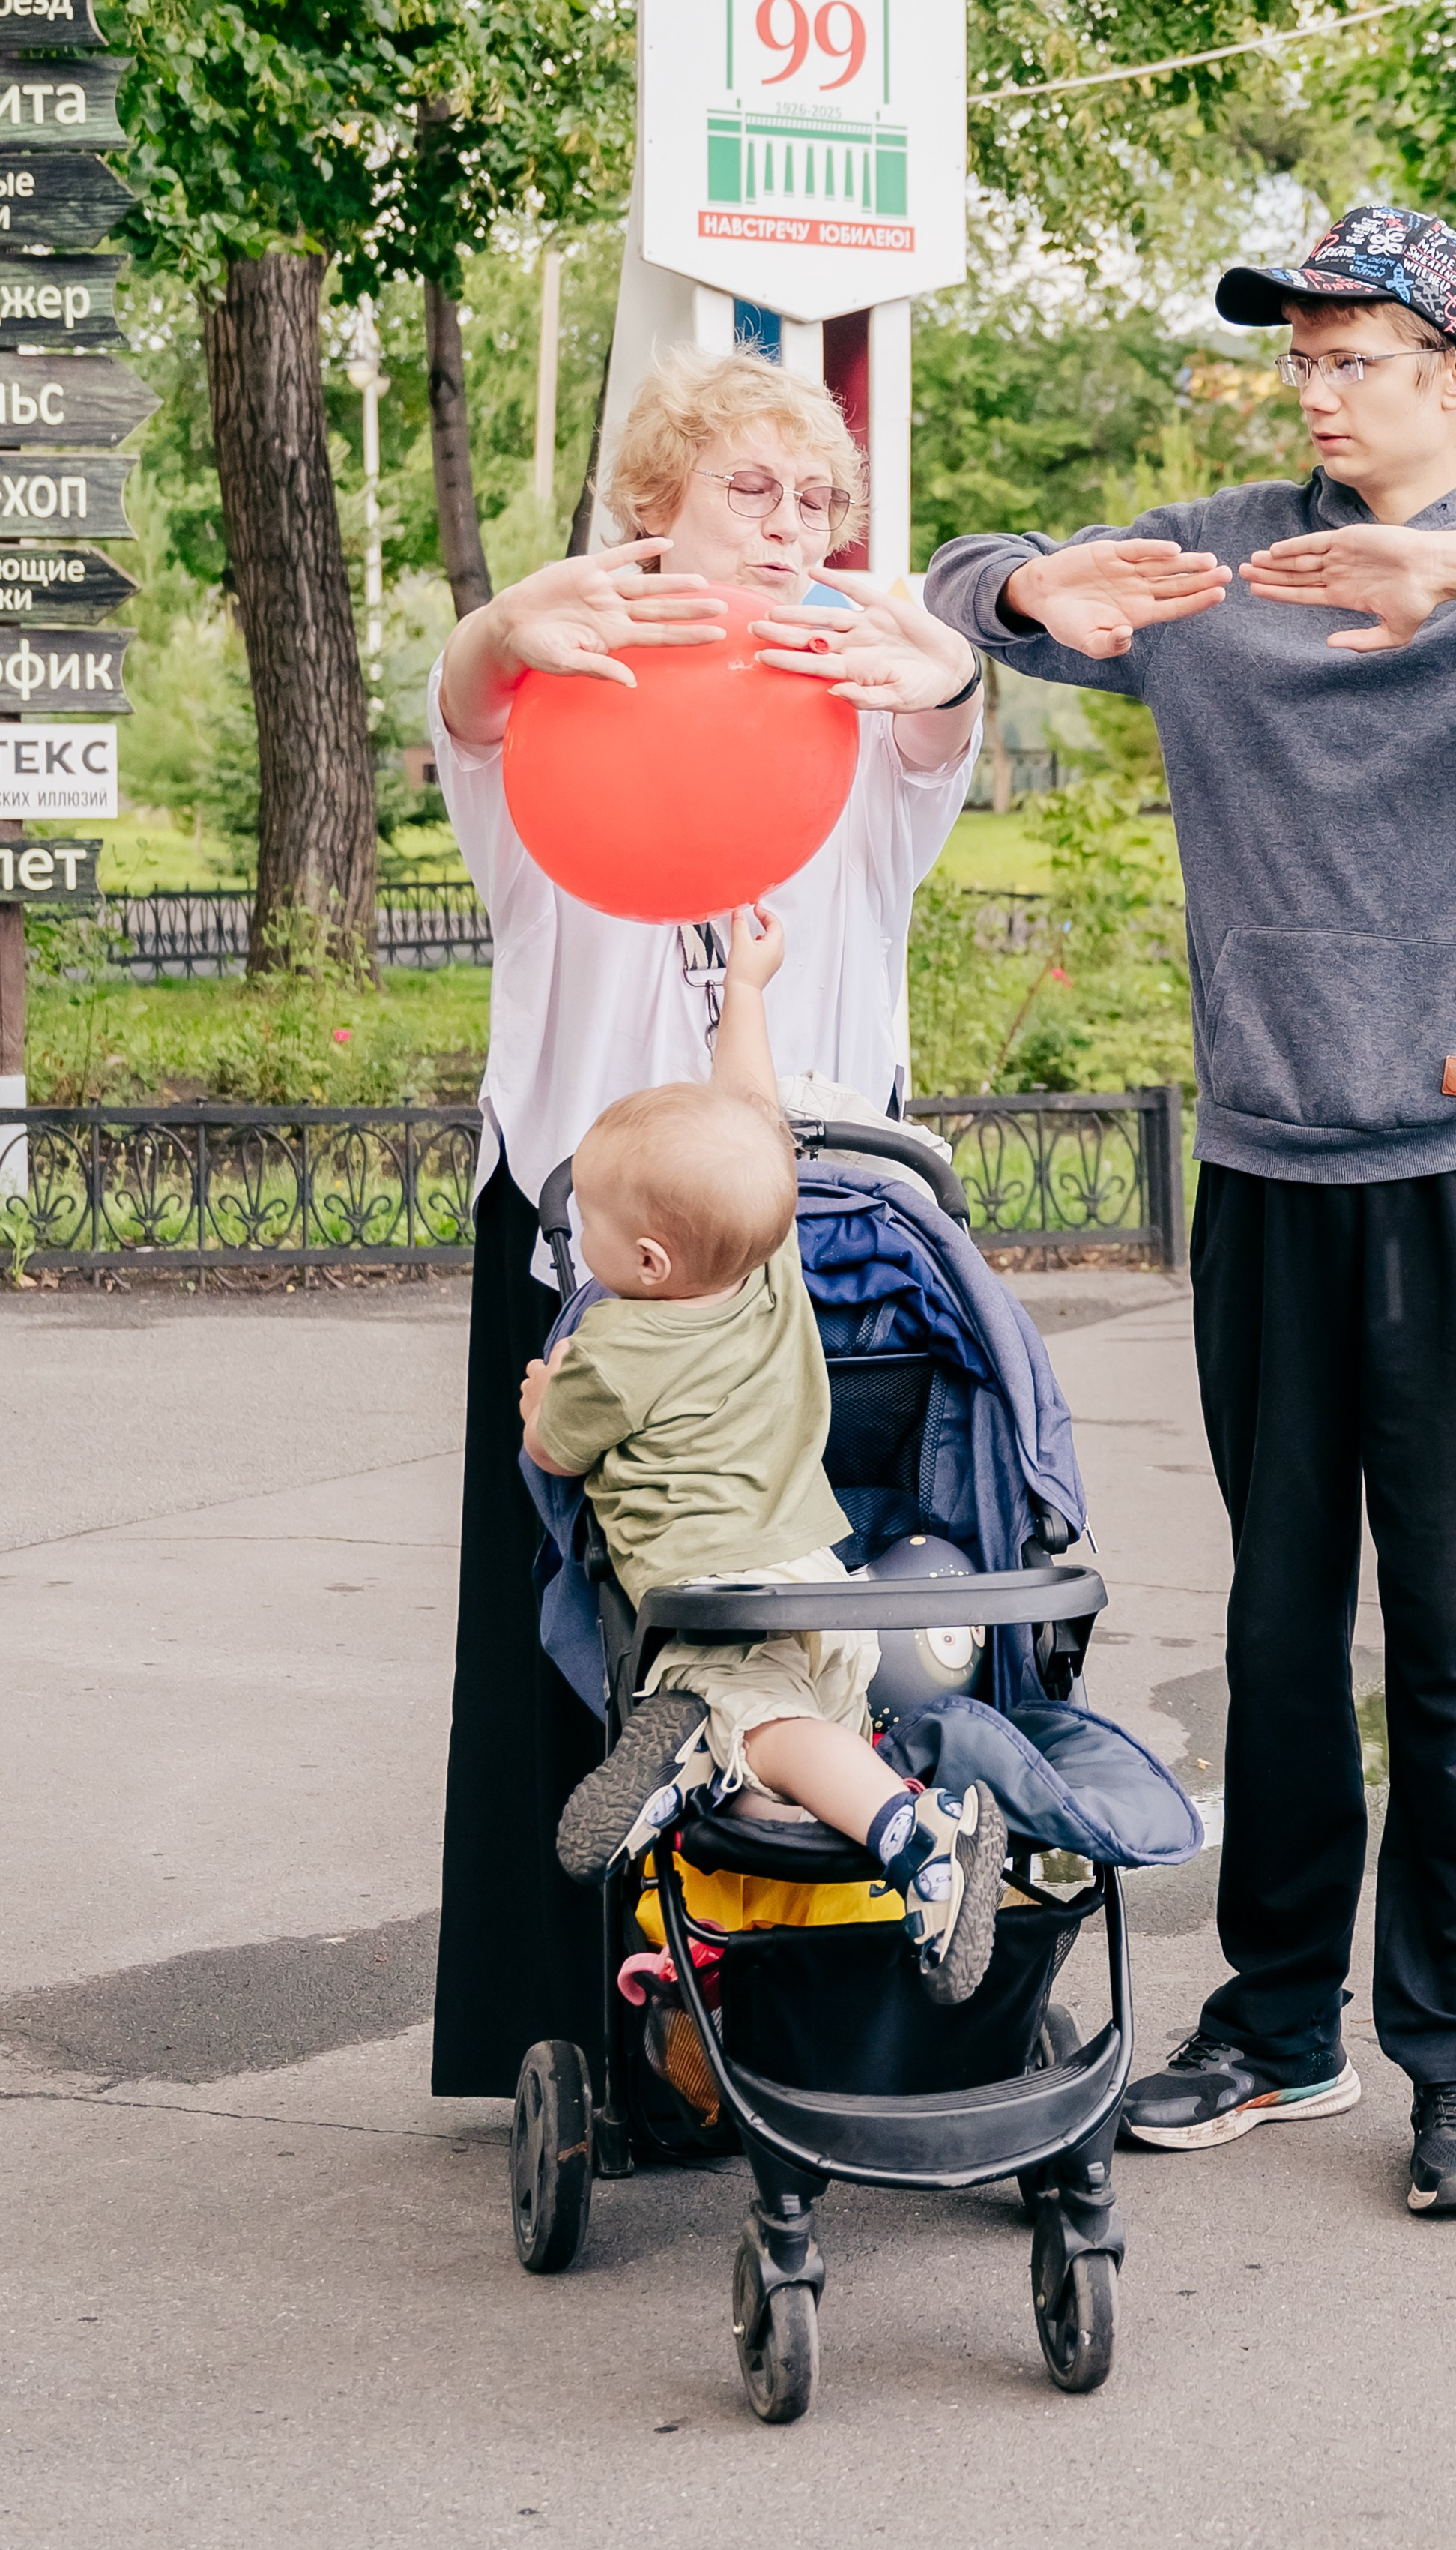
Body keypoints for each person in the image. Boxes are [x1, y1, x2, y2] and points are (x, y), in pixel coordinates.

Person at [924, 204, 1456, 2214]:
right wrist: (1031, 583)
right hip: (1262, 1182)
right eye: (1297, 356)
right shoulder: (1218, 565)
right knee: (1278, 1631)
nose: (1314, 388)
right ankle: (1279, 2023)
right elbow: (964, 590)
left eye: (1355, 354)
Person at [429, 344, 983, 2100]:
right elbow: (458, 707)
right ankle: (591, 2035)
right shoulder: (552, 713)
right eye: (750, 488)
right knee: (579, 1646)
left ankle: (837, 2031)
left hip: (815, 1266)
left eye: (817, 497)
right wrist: (503, 626)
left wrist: (954, 663)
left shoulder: (849, 708)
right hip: (587, 1256)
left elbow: (943, 720)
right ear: (644, 509)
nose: (792, 523)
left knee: (818, 1640)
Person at [520, 903, 1006, 2007]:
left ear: (642, 1258)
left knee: (759, 1721)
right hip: (825, 1591)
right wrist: (746, 992)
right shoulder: (773, 1272)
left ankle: (919, 1833)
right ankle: (696, 1764)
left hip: (713, 1603)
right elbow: (752, 1116)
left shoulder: (612, 1343)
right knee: (780, 1738)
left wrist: (541, 1397)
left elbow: (554, 1456)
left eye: (590, 1230)